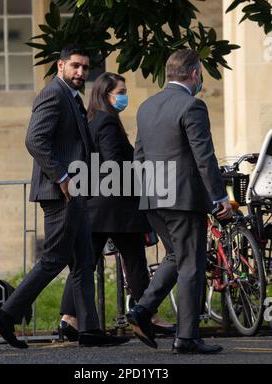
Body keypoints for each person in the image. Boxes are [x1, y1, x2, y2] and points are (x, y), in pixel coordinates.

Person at [0, 44, 129, 349]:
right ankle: (6, 314)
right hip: (61, 192)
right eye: (75, 66)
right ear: (60, 65)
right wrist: (63, 177)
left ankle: (90, 330)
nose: (81, 72)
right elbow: (34, 140)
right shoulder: (53, 93)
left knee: (84, 262)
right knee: (54, 258)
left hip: (74, 192)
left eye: (85, 68)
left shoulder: (70, 95)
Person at [127, 49, 232, 354]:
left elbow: (139, 156)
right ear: (194, 74)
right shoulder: (192, 106)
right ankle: (186, 337)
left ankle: (142, 310)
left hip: (154, 196)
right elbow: (204, 157)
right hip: (184, 198)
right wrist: (219, 197)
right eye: (200, 73)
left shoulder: (146, 107)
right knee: (190, 264)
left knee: (175, 256)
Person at [58, 72, 176, 341]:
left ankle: (69, 317)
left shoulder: (90, 120)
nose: (124, 95)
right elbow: (114, 163)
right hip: (117, 206)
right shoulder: (108, 122)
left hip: (94, 204)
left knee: (84, 262)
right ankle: (148, 315)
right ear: (105, 94)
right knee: (134, 261)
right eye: (120, 91)